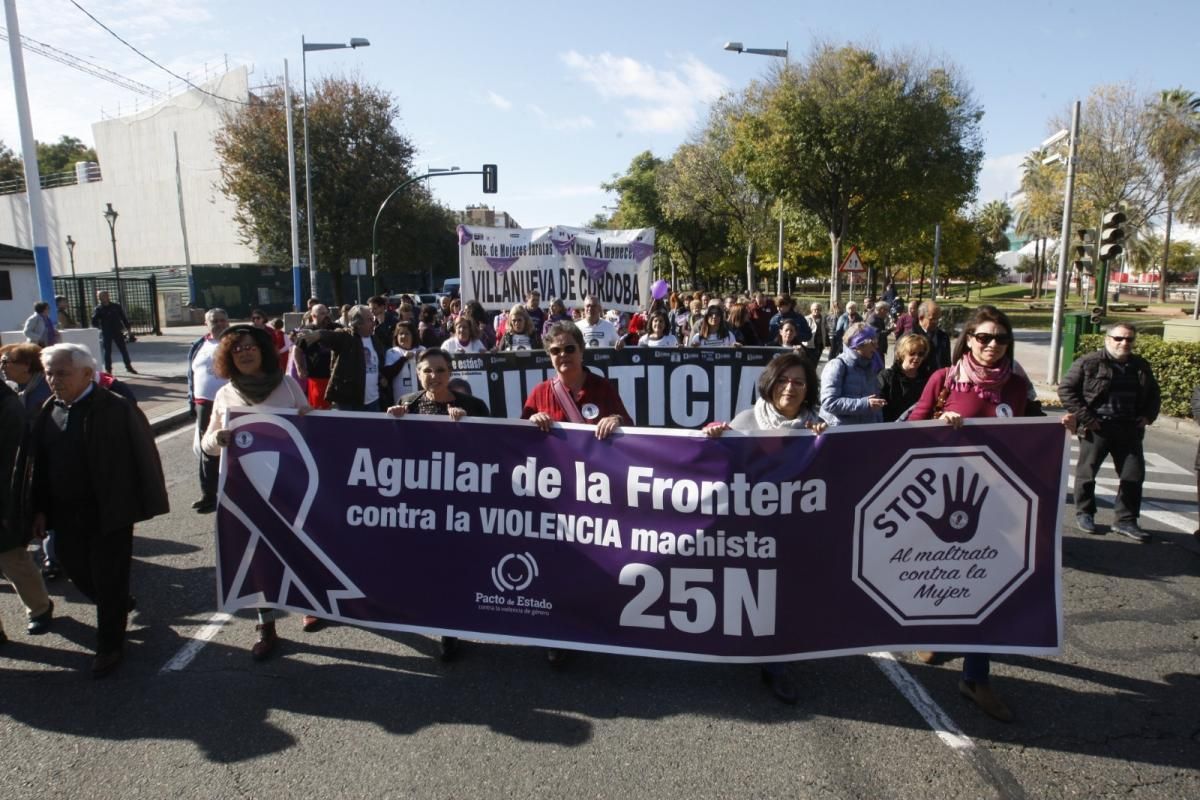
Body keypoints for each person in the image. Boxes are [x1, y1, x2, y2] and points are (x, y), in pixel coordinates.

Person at [908, 305, 1074, 722]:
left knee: (985, 587)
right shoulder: (943, 380)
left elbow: (1026, 430)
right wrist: (937, 424)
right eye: (983, 337)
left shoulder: (1015, 385)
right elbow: (910, 427)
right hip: (945, 501)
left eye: (1000, 338)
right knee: (942, 575)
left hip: (997, 504)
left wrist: (1059, 428)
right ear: (968, 340)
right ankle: (937, 635)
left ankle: (976, 678)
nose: (992, 345)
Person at [19, 343, 168, 677]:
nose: (54, 380)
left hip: (110, 512)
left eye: (62, 373)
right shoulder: (49, 409)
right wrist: (39, 509)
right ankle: (115, 603)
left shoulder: (115, 408)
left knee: (109, 576)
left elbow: (142, 457)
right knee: (77, 571)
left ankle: (109, 646)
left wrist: (139, 503)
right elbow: (38, 465)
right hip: (64, 513)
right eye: (49, 373)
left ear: (87, 373)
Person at [703, 353, 824, 703]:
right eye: (783, 380)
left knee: (782, 598)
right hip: (750, 531)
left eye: (799, 382)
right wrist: (713, 436)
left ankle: (776, 668)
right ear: (770, 384)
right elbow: (717, 468)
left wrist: (829, 440)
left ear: (808, 390)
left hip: (792, 533)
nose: (790, 388)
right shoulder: (746, 420)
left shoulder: (818, 429)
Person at [522, 321, 632, 667]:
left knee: (598, 561)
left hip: (598, 494)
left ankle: (598, 625)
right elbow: (519, 442)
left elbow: (632, 432)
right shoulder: (540, 392)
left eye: (569, 349)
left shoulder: (602, 387)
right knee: (559, 564)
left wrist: (615, 421)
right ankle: (559, 633)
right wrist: (532, 421)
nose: (563, 356)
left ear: (582, 351)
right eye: (555, 351)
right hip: (558, 495)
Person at [200, 324, 314, 658]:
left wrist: (311, 419)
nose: (245, 352)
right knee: (258, 558)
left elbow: (309, 427)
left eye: (250, 346)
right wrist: (217, 440)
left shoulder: (287, 384)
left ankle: (311, 604)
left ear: (263, 349)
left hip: (290, 484)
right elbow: (206, 445)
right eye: (237, 349)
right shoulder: (225, 394)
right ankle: (266, 624)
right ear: (227, 356)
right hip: (247, 490)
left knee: (300, 546)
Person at [386, 349, 490, 659]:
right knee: (431, 566)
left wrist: (468, 427)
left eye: (441, 370)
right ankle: (446, 625)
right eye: (428, 371)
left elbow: (493, 447)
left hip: (462, 501)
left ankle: (456, 622)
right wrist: (392, 425)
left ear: (450, 372)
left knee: (459, 564)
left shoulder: (473, 405)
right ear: (418, 373)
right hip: (423, 504)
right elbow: (391, 457)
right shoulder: (407, 404)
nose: (435, 376)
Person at [1058, 322, 1160, 542]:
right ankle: (1085, 513)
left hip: (1129, 429)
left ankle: (1126, 521)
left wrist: (1148, 416)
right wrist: (1087, 418)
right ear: (1108, 339)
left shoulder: (1140, 365)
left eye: (1129, 339)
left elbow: (1154, 395)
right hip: (1098, 428)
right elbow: (1066, 390)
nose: (1124, 343)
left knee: (1133, 475)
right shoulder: (1089, 362)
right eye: (1119, 339)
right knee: (1087, 473)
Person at [0, 379, 54, 644]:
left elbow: (13, 460)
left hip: (3, 497)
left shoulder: (6, 404)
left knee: (13, 560)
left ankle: (40, 608)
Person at [296, 305, 387, 412]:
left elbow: (375, 363)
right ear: (358, 323)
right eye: (370, 320)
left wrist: (381, 376)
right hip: (349, 402)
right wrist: (316, 335)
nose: (374, 322)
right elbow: (330, 336)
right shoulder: (346, 337)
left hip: (373, 401)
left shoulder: (375, 339)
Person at [187, 308, 231, 514]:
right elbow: (191, 374)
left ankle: (230, 491)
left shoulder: (235, 342)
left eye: (223, 320)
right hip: (204, 404)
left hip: (231, 403)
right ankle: (208, 494)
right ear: (207, 323)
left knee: (232, 447)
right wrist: (191, 402)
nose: (220, 324)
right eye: (215, 320)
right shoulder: (198, 345)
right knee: (207, 450)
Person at [819, 322, 885, 427]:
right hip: (840, 433)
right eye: (873, 343)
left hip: (865, 433)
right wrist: (865, 404)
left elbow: (874, 404)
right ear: (858, 344)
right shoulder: (837, 365)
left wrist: (878, 426)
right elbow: (829, 402)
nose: (876, 346)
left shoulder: (870, 366)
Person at [876, 333, 933, 422]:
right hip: (892, 428)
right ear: (902, 354)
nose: (916, 357)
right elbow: (879, 408)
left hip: (920, 428)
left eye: (920, 354)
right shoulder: (886, 377)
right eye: (912, 353)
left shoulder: (928, 379)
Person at [293, 303, 337, 410]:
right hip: (317, 379)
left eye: (327, 313)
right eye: (322, 314)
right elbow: (297, 349)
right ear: (314, 316)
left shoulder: (336, 328)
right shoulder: (307, 331)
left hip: (336, 377)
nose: (326, 316)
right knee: (319, 411)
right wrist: (300, 368)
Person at [91, 290, 137, 374]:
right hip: (106, 332)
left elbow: (123, 318)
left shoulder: (116, 306)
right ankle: (108, 370)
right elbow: (94, 321)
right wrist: (99, 327)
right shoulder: (98, 308)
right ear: (99, 298)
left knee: (123, 349)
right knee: (107, 351)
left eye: (105, 295)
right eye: (101, 296)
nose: (104, 297)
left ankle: (128, 366)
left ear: (108, 296)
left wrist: (128, 329)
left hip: (117, 331)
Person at [381, 322, 425, 405]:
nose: (403, 336)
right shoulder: (392, 352)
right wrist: (403, 359)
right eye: (401, 334)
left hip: (421, 397)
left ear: (413, 335)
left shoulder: (422, 350)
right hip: (400, 399)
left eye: (407, 333)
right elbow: (388, 374)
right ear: (396, 336)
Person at [915, 301, 952, 370]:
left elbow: (947, 363)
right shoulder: (910, 337)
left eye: (938, 319)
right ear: (921, 318)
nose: (936, 322)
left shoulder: (943, 337)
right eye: (932, 319)